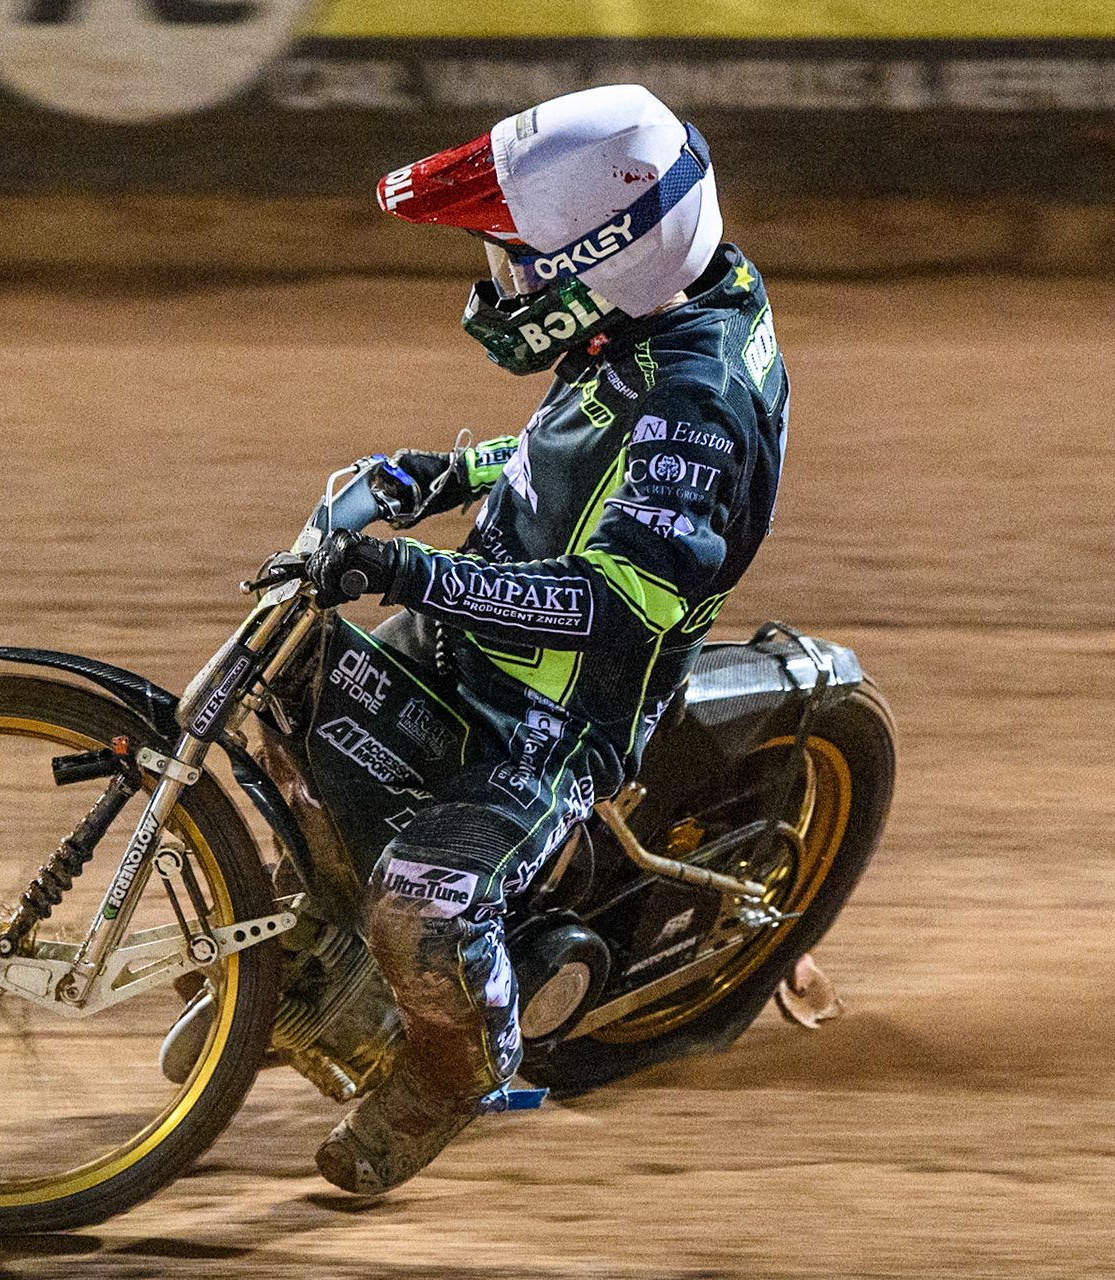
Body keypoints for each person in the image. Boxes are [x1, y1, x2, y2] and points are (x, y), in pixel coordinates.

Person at [301, 83, 789, 1195]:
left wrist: (417, 566)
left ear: (610, 257)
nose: (498, 283)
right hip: (484, 614)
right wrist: (436, 476)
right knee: (293, 692)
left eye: (518, 261)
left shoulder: (696, 404)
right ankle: (305, 968)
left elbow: (613, 609)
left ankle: (450, 1068)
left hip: (562, 713)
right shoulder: (667, 299)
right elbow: (565, 447)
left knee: (421, 894)